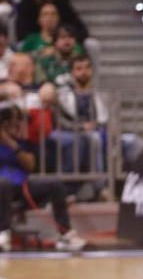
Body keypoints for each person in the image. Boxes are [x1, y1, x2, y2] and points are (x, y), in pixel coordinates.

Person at [0, 102, 86, 252]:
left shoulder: (23, 141)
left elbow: (30, 165)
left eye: (17, 120)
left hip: (22, 185)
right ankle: (2, 232)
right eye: (10, 120)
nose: (15, 124)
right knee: (3, 183)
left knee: (54, 183)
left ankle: (65, 234)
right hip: (3, 187)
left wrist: (12, 144)